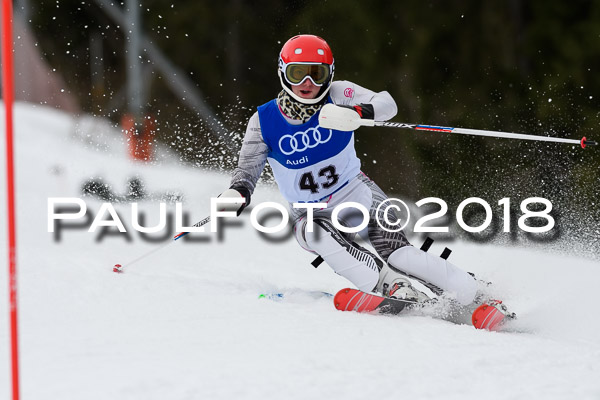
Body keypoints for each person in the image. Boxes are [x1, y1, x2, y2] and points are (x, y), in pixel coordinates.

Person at [219, 34, 480, 307]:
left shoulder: (338, 93)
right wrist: (237, 192)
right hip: (308, 212)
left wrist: (358, 112)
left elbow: (387, 104)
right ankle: (392, 286)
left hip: (356, 192)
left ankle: (472, 291)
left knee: (398, 253)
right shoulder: (263, 120)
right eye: (297, 74)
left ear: (329, 74)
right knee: (315, 233)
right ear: (283, 72)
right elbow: (247, 172)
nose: (307, 83)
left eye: (315, 74)